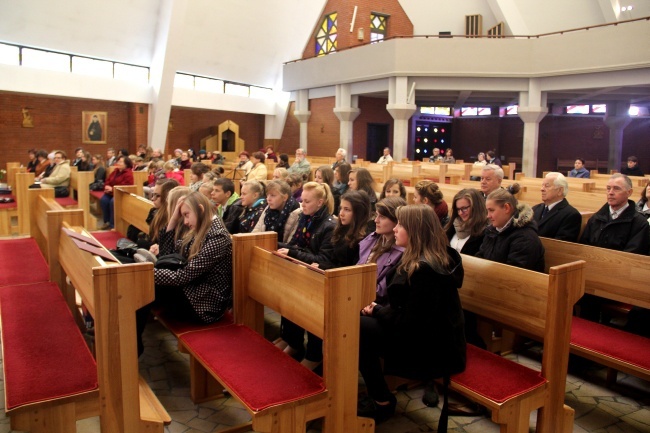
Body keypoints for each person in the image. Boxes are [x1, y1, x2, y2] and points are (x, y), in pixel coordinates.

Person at [357, 204, 466, 424]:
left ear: (416, 230)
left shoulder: (424, 270)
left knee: (357, 328)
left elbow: (410, 322)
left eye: (401, 225)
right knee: (358, 325)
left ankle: (382, 400)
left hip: (433, 348)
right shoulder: (428, 256)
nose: (395, 229)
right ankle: (377, 395)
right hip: (428, 335)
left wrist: (377, 310)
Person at [135, 192, 232, 357]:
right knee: (140, 287)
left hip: (205, 303)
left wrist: (146, 274)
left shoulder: (218, 236)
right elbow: (168, 253)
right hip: (192, 290)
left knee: (143, 286)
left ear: (200, 209)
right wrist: (173, 218)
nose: (185, 222)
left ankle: (131, 346)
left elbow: (183, 276)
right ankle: (130, 341)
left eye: (186, 215)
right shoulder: (203, 228)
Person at [275, 182, 335, 365]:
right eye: (302, 200)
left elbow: (322, 258)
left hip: (318, 279)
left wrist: (292, 252)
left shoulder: (329, 225)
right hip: (301, 271)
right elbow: (295, 244)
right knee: (289, 300)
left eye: (307, 201)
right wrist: (273, 243)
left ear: (320, 202)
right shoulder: (305, 217)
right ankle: (292, 341)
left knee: (310, 312)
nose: (302, 204)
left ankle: (314, 354)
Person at [477, 185, 545, 272]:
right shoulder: (492, 230)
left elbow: (514, 274)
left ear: (506, 208)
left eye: (492, 210)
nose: (488, 216)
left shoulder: (525, 238)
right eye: (487, 211)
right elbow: (481, 256)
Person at [580, 173, 649, 254]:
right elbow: (584, 248)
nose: (610, 192)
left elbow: (632, 256)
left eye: (616, 188)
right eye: (608, 188)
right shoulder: (595, 218)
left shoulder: (640, 224)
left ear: (629, 192)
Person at [359, 196, 406, 311]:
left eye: (383, 217)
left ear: (396, 221)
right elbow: (356, 269)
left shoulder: (401, 251)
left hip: (377, 306)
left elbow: (381, 292)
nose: (376, 220)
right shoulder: (372, 239)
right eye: (376, 215)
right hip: (358, 295)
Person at [531, 172, 582, 241]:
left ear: (560, 191)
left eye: (547, 186)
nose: (542, 189)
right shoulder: (535, 208)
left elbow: (561, 245)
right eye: (542, 185)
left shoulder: (571, 215)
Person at [445, 188, 488, 256]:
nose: (460, 213)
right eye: (458, 209)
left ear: (476, 207)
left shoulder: (486, 232)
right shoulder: (451, 226)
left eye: (464, 208)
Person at [99, 156, 134, 230]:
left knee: (113, 202)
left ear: (126, 164)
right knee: (103, 200)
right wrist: (106, 186)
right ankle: (107, 221)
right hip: (111, 193)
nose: (119, 163)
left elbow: (126, 186)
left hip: (121, 194)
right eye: (118, 161)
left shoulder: (128, 174)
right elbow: (108, 180)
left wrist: (112, 188)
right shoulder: (115, 171)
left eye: (121, 162)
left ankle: (113, 224)